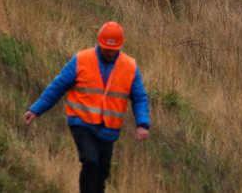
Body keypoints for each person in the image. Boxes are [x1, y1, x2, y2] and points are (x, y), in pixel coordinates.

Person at [23, 21, 150, 193]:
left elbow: (140, 98)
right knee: (90, 160)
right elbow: (58, 86)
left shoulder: (130, 67)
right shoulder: (82, 60)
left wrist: (142, 124)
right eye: (107, 48)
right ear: (99, 42)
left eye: (114, 49)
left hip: (109, 130)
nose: (111, 52)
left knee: (101, 175)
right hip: (81, 123)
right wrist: (36, 109)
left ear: (120, 45)